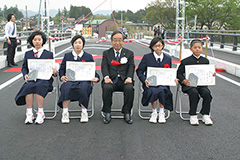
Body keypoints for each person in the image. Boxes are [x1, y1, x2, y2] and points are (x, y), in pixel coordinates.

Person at [15, 31, 57, 124]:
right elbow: (24, 67)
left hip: (45, 79)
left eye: (39, 39)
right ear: (32, 41)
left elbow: (52, 68)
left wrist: (54, 72)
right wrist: (25, 74)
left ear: (43, 41)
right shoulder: (28, 54)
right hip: (32, 78)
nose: (37, 42)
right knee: (28, 87)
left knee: (40, 86)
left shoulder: (48, 54)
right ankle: (29, 113)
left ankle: (40, 112)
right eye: (35, 40)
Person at [58, 35, 99, 124]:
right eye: (75, 43)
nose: (77, 45)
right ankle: (65, 112)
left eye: (80, 43)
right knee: (66, 87)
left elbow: (92, 71)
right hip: (70, 79)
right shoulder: (67, 56)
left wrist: (97, 78)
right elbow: (62, 69)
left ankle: (84, 112)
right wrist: (62, 76)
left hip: (84, 80)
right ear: (72, 44)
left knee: (84, 87)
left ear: (83, 45)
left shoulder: (88, 56)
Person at [177, 39, 216, 126]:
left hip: (201, 84)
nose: (197, 49)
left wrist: (212, 74)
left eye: (199, 47)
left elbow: (207, 73)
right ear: (191, 49)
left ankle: (206, 114)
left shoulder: (205, 61)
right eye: (195, 48)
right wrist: (184, 80)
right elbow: (179, 74)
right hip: (189, 85)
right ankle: (193, 114)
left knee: (207, 93)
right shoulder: (185, 61)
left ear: (202, 48)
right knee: (194, 93)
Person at [136, 37, 173, 124]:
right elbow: (139, 71)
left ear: (163, 46)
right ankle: (154, 112)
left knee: (162, 89)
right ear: (152, 47)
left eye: (159, 45)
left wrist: (172, 79)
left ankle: (161, 112)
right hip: (150, 83)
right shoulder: (147, 57)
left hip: (163, 83)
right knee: (153, 90)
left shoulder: (168, 58)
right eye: (155, 46)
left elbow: (170, 72)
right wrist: (144, 80)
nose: (157, 48)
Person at [101, 30, 135, 124]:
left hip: (124, 80)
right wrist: (106, 77)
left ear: (123, 41)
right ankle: (107, 112)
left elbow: (131, 66)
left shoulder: (129, 53)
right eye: (115, 40)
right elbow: (104, 66)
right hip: (111, 80)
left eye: (120, 40)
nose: (117, 43)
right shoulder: (106, 53)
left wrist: (129, 77)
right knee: (107, 88)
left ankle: (127, 112)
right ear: (111, 41)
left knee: (129, 89)